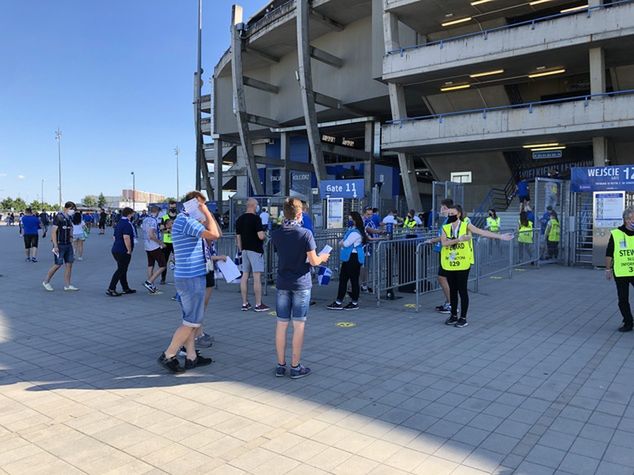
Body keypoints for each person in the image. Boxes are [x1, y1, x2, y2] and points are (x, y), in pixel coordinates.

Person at [158, 191, 221, 373]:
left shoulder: (186, 221)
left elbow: (216, 231)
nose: (203, 209)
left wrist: (205, 214)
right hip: (191, 278)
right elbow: (215, 235)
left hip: (191, 276)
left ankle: (191, 356)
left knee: (191, 320)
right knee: (191, 322)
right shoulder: (185, 221)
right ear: (194, 204)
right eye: (201, 205)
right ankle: (169, 354)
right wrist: (207, 212)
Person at [271, 197, 330, 378]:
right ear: (300, 213)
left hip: (282, 282)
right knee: (299, 326)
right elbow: (313, 261)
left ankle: (281, 365)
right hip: (301, 283)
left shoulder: (277, 233)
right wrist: (322, 258)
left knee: (281, 324)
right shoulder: (305, 234)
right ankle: (296, 366)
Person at [441, 204, 513, 327]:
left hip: (463, 262)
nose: (450, 216)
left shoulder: (466, 225)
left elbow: (481, 232)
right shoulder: (445, 227)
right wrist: (459, 239)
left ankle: (463, 318)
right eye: (449, 214)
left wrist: (500, 236)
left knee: (462, 290)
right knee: (452, 290)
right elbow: (444, 243)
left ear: (458, 214)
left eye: (452, 213)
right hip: (449, 262)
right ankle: (453, 315)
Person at [327, 211, 367, 311]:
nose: (349, 221)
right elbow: (344, 242)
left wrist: (342, 242)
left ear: (355, 220)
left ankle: (353, 302)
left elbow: (345, 243)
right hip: (350, 257)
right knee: (344, 279)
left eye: (350, 219)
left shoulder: (355, 232)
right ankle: (340, 301)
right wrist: (342, 242)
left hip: (353, 258)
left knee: (352, 280)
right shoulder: (353, 230)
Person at [236, 198, 269, 312]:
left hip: (244, 250)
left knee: (244, 276)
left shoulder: (240, 219)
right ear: (253, 205)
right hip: (255, 250)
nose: (258, 206)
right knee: (256, 277)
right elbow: (260, 236)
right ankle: (258, 304)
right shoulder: (256, 219)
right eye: (257, 205)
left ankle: (244, 303)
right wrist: (265, 234)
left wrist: (241, 250)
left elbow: (238, 237)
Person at [605, 206, 634, 332]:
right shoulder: (616, 234)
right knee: (623, 299)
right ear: (625, 219)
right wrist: (608, 269)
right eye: (630, 218)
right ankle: (628, 322)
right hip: (621, 272)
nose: (632, 221)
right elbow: (609, 253)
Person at [424, 199, 454, 313]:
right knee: (445, 278)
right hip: (444, 251)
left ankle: (451, 304)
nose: (440, 210)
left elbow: (444, 237)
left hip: (447, 252)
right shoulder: (447, 220)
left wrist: (431, 240)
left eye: (441, 207)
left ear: (446, 208)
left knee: (442, 278)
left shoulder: (450, 220)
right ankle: (449, 302)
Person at [42, 201, 79, 292]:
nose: (72, 211)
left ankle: (67, 285)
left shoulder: (69, 218)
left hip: (68, 244)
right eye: (71, 209)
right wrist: (55, 245)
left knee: (69, 264)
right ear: (66, 208)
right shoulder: (59, 217)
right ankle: (46, 282)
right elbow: (53, 231)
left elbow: (70, 230)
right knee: (58, 264)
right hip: (60, 244)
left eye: (74, 209)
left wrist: (71, 239)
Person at [106, 207, 137, 296]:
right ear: (129, 214)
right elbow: (126, 237)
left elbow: (114, 237)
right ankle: (111, 288)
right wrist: (129, 249)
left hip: (116, 249)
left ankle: (125, 288)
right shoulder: (127, 224)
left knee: (123, 269)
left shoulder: (120, 222)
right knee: (121, 270)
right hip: (123, 250)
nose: (133, 215)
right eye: (132, 214)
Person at [142, 205, 166, 294]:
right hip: (154, 246)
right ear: (157, 212)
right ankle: (149, 282)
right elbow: (151, 235)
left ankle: (151, 286)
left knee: (150, 264)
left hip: (147, 245)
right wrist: (161, 243)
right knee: (163, 265)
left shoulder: (145, 219)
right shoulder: (153, 220)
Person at [361, 206, 385, 292]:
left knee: (366, 267)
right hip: (364, 247)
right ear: (364, 213)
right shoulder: (363, 221)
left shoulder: (370, 220)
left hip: (369, 247)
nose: (370, 215)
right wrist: (381, 233)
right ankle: (361, 285)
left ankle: (364, 284)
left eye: (371, 214)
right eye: (368, 213)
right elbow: (370, 230)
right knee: (364, 267)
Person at [159, 201, 178, 284]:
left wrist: (172, 230)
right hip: (166, 242)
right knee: (164, 261)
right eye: (171, 207)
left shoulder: (179, 217)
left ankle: (179, 279)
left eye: (174, 207)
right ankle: (163, 278)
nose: (172, 209)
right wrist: (169, 230)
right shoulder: (164, 217)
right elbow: (161, 229)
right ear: (169, 207)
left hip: (177, 242)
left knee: (178, 261)